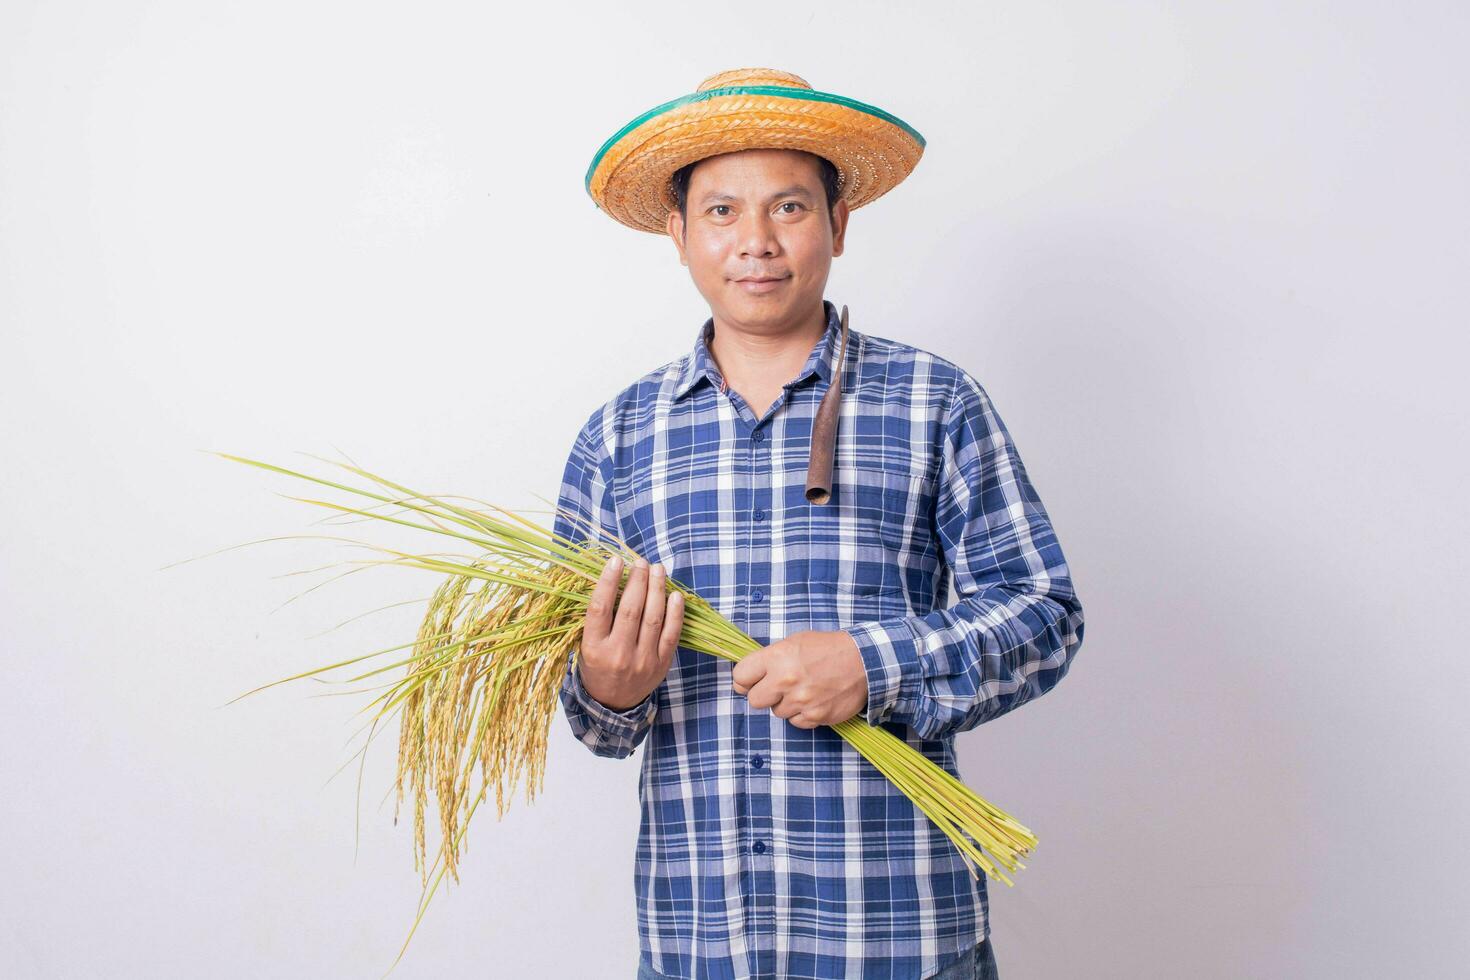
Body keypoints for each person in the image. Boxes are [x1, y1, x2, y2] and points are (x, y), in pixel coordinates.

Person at [553, 67, 1084, 980]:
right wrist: (605, 683)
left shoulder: (935, 402)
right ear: (677, 234)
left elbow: (1043, 615)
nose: (755, 242)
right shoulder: (618, 437)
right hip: (699, 943)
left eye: (789, 207)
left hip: (902, 939)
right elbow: (597, 725)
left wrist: (871, 666)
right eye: (721, 212)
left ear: (839, 224)